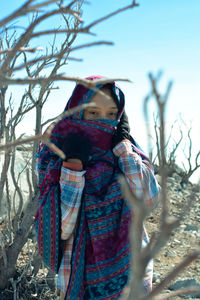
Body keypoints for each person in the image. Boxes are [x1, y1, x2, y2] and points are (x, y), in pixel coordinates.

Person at [34, 75, 159, 300]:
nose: (103, 121)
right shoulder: (53, 157)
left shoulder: (128, 152)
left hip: (132, 278)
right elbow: (62, 228)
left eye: (112, 114)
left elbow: (148, 201)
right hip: (79, 280)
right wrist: (72, 168)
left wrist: (123, 148)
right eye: (93, 113)